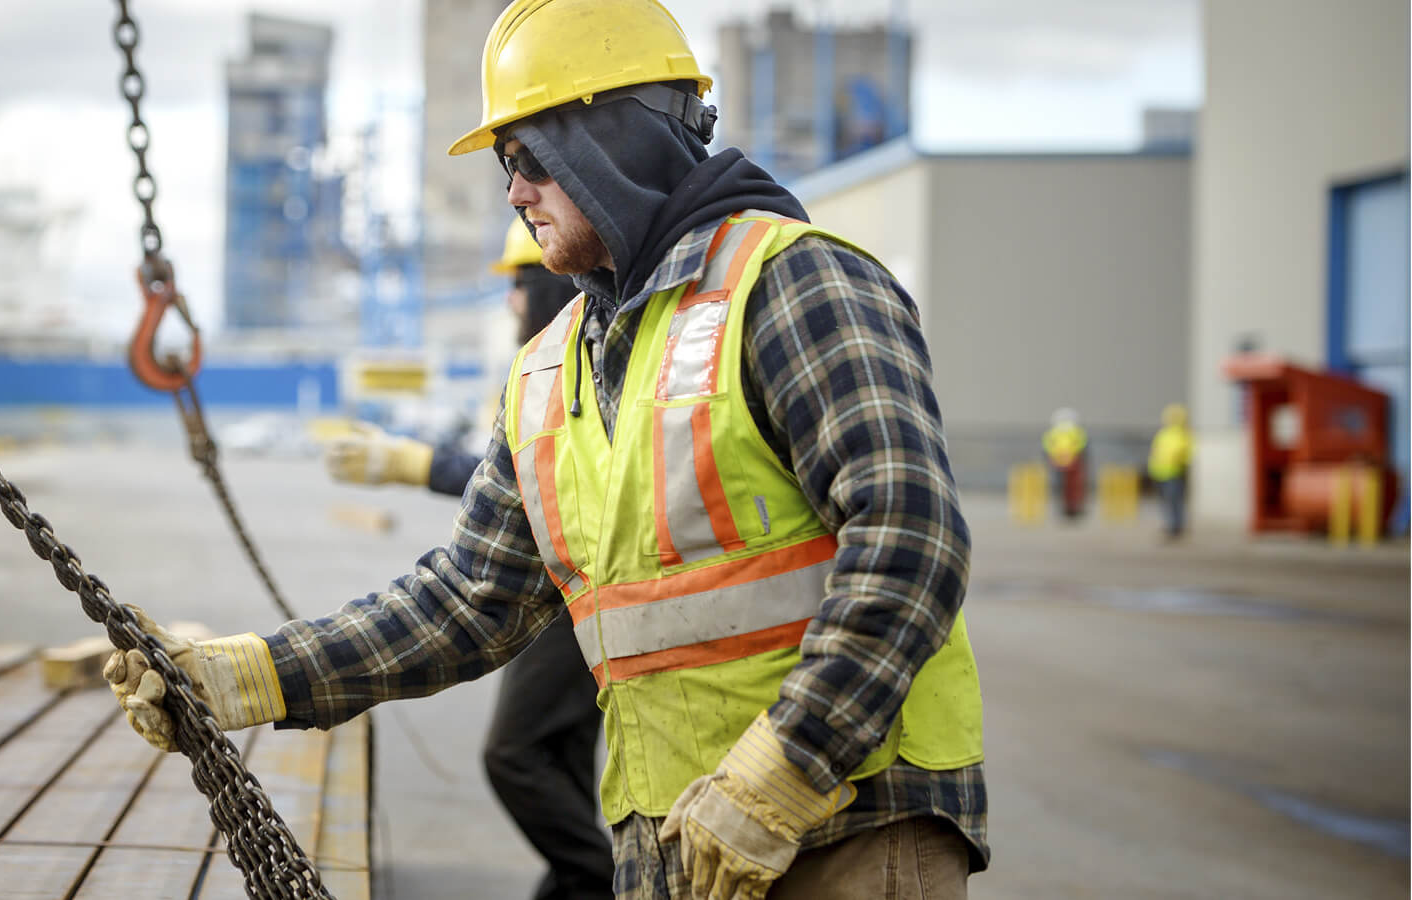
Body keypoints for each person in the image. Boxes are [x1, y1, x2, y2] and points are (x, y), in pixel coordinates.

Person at [103, 1, 986, 896]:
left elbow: (909, 536)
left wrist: (787, 770)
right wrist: (251, 676)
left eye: (529, 161)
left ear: (609, 142)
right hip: (680, 843)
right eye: (505, 169)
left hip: (845, 826)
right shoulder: (550, 368)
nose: (514, 195)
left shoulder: (792, 281)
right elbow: (468, 599)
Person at [325, 222, 614, 900]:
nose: (511, 304)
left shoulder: (582, 360)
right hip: (564, 581)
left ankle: (597, 880)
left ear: (549, 282)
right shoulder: (544, 362)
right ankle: (577, 886)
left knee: (514, 755)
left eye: (519, 285)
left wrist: (415, 463)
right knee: (559, 754)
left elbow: (534, 475)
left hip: (580, 591)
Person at [1147, 403, 1192, 539]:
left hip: (1174, 474)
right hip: (1159, 473)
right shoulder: (1163, 434)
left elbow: (1187, 455)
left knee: (1174, 501)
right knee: (1165, 501)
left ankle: (1176, 526)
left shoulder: (1184, 435)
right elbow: (1155, 451)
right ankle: (1169, 524)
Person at [1042, 407, 1088, 520]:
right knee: (1067, 487)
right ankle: (1067, 508)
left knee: (1070, 487)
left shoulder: (1056, 432)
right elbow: (1081, 445)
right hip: (1065, 462)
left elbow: (1048, 445)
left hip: (1066, 462)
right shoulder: (1074, 432)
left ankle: (1071, 507)